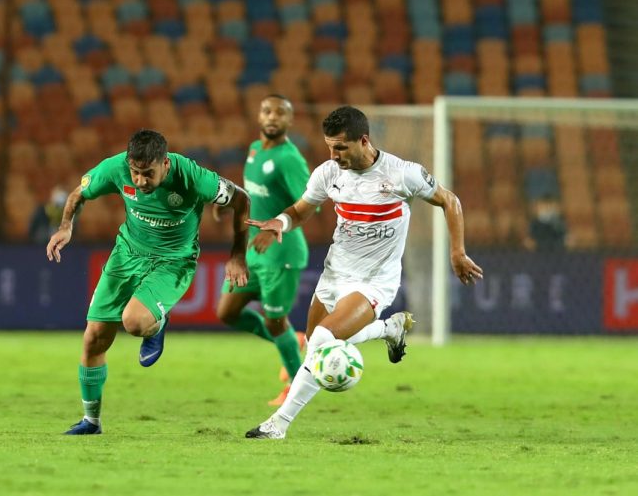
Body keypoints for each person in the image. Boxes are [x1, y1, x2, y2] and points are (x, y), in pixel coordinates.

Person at [244, 106, 483, 439]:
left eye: (341, 147)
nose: (334, 155)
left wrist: (457, 251)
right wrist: (280, 223)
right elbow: (301, 210)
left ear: (364, 141)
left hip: (374, 281)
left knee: (324, 339)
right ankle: (388, 328)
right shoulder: (328, 173)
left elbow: (450, 200)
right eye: (330, 147)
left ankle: (278, 425)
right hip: (334, 274)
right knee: (314, 346)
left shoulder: (402, 174)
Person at [46, 129, 250, 435]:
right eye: (136, 173)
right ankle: (91, 421)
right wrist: (66, 226)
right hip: (126, 255)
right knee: (94, 338)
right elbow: (78, 194)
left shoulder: (193, 177)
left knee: (134, 322)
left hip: (172, 262)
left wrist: (237, 255)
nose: (140, 181)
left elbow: (242, 200)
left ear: (165, 164)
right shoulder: (116, 167)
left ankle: (157, 323)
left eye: (148, 174)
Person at [213, 94, 309, 406]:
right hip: (253, 251)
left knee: (274, 320)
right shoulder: (255, 150)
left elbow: (311, 204)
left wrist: (275, 227)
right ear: (259, 116)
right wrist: (232, 203)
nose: (273, 117)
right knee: (227, 313)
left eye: (280, 113)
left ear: (290, 120)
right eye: (267, 111)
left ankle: (295, 387)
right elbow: (255, 193)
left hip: (281, 251)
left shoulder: (289, 159)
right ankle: (292, 341)